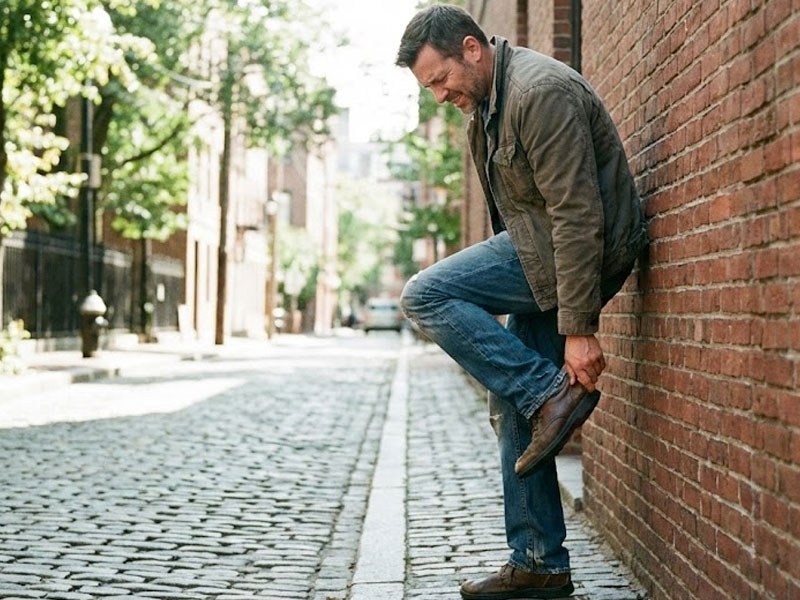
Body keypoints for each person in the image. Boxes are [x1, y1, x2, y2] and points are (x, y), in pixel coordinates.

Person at [396, 5, 648, 600]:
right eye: (429, 86)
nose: (438, 94)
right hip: (543, 256)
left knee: (424, 293)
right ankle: (539, 562)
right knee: (513, 408)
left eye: (439, 79)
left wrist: (579, 328)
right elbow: (510, 213)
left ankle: (547, 392)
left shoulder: (540, 92)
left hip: (583, 251)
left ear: (472, 48)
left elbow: (578, 213)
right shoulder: (482, 107)